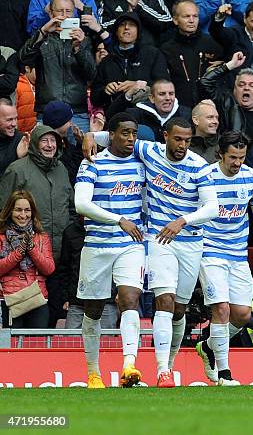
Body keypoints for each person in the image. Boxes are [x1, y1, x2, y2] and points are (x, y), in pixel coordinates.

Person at [82, 117, 219, 388]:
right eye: (177, 139)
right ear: (165, 136)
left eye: (187, 140)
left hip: (190, 240)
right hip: (158, 238)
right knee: (164, 301)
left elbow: (212, 207)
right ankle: (161, 372)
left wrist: (183, 221)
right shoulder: (149, 150)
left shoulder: (198, 166)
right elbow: (114, 137)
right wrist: (89, 137)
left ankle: (169, 364)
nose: (182, 145)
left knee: (179, 309)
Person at [195, 131, 253, 386]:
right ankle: (224, 373)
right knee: (222, 309)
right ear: (221, 153)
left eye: (241, 157)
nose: (237, 162)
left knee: (241, 314)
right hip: (210, 251)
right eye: (232, 157)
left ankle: (208, 347)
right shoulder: (206, 176)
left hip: (238, 254)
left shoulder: (252, 177)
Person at [74, 112, 146, 389]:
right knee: (93, 309)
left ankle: (129, 365)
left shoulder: (141, 164)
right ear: (111, 134)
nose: (130, 139)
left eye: (134, 134)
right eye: (124, 133)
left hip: (131, 245)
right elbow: (81, 204)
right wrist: (119, 219)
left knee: (130, 298)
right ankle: (94, 373)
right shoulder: (92, 163)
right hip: (97, 245)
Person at [0, 124, 73, 328]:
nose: (50, 145)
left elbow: (72, 205)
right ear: (34, 143)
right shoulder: (17, 169)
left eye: (53, 141)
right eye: (44, 141)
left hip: (57, 254)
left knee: (52, 312)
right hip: (22, 264)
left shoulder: (61, 169)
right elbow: (3, 208)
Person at [20, 0, 97, 126]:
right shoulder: (42, 38)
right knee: (46, 147)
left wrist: (79, 49)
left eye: (68, 11)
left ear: (74, 14)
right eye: (60, 11)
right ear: (51, 14)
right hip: (47, 111)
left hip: (77, 112)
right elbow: (23, 58)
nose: (65, 15)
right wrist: (43, 31)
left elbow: (92, 74)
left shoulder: (83, 40)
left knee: (79, 147)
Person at [91, 12, 169, 112]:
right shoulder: (107, 59)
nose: (126, 27)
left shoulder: (153, 54)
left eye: (132, 25)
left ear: (138, 31)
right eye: (122, 25)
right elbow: (95, 98)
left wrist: (138, 85)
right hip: (116, 116)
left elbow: (164, 85)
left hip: (147, 114)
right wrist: (105, 90)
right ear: (116, 31)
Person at [0, 190, 55, 328]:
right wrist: (19, 253)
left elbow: (49, 268)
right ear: (10, 211)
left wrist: (31, 248)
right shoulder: (1, 236)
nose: (23, 215)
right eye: (18, 210)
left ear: (33, 212)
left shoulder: (41, 237)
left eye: (27, 210)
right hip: (9, 299)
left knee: (37, 346)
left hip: (37, 299)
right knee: (11, 348)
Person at [160, 0, 224, 109]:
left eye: (195, 16)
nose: (191, 20)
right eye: (186, 16)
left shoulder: (212, 44)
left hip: (211, 106)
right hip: (180, 108)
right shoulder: (166, 49)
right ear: (175, 20)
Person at [124, 79, 192, 142]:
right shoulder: (136, 114)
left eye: (171, 94)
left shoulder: (185, 114)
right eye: (162, 94)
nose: (168, 98)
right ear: (152, 98)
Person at [0, 99, 29, 176]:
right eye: (9, 120)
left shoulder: (21, 140)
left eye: (16, 118)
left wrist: (22, 158)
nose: (14, 124)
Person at [190, 100, 220, 164]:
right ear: (196, 120)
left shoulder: (224, 144)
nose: (215, 122)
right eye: (210, 117)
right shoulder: (184, 144)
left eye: (217, 118)